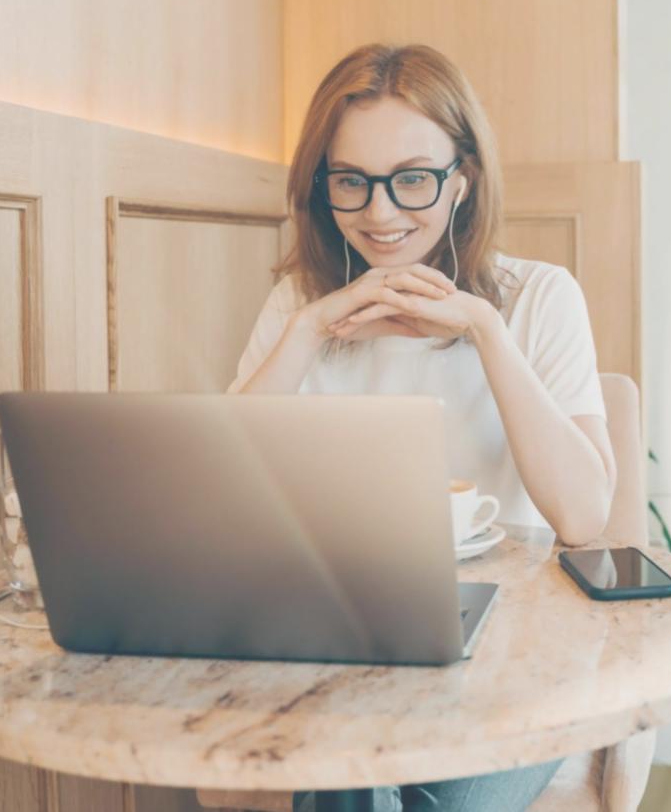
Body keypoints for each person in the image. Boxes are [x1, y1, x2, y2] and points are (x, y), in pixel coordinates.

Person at [228, 43, 616, 812]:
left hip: (511, 652)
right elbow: (217, 490)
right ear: (322, 184)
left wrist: (485, 331)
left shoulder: (538, 297)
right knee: (350, 755)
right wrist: (307, 330)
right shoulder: (298, 305)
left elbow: (584, 514)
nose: (379, 212)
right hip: (340, 638)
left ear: (461, 181)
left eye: (412, 179)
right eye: (351, 181)